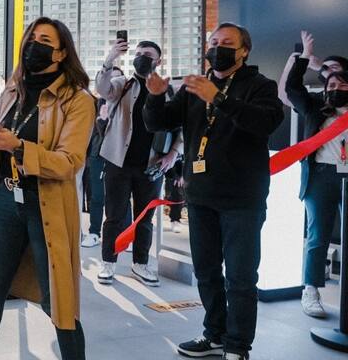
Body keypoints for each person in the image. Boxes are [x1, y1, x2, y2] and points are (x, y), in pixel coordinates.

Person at [143, 22, 284, 360]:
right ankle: (215, 334)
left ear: (244, 51)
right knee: (206, 272)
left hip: (242, 199)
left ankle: (237, 346)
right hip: (201, 195)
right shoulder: (195, 87)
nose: (217, 47)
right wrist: (155, 95)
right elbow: (157, 122)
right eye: (213, 41)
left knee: (240, 276)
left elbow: (264, 123)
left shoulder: (260, 85)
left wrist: (218, 98)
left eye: (227, 43)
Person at [0, 16, 94, 360]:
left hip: (46, 204)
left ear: (62, 52)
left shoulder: (78, 100)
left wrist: (19, 145)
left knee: (58, 300)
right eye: (32, 38)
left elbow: (69, 161)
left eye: (45, 40)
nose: (35, 45)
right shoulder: (12, 89)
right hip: (6, 198)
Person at [96, 39, 181, 287]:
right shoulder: (123, 84)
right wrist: (110, 59)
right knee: (114, 215)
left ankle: (140, 263)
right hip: (117, 161)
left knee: (145, 217)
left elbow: (181, 126)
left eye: (148, 54)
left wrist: (174, 153)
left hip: (152, 164)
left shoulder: (168, 90)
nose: (142, 57)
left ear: (159, 60)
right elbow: (102, 90)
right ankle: (108, 262)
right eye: (139, 53)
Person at [286, 31, 348, 318]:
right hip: (321, 177)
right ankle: (310, 290)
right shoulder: (314, 107)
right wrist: (302, 58)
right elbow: (292, 88)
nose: (336, 86)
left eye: (342, 82)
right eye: (331, 82)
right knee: (317, 237)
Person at [81, 67, 123, 248]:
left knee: (120, 196)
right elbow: (95, 133)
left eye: (118, 79)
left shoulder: (127, 103)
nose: (113, 83)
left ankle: (123, 233)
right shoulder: (98, 103)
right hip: (98, 154)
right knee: (97, 196)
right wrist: (102, 121)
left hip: (120, 155)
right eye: (110, 79)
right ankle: (94, 232)